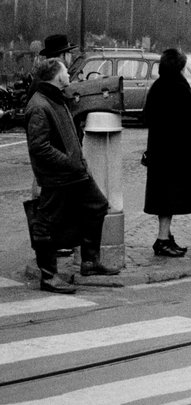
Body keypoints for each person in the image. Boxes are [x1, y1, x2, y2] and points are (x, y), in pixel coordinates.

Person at [24, 59, 117, 293]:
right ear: (57, 76)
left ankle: (90, 261)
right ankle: (48, 276)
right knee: (45, 223)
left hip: (74, 172)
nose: (69, 74)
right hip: (57, 176)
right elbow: (39, 147)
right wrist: (69, 161)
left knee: (97, 206)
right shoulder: (39, 105)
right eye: (65, 71)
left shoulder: (57, 98)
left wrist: (78, 163)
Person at [142, 49, 191, 257]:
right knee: (169, 197)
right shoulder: (179, 86)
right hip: (177, 153)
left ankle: (166, 236)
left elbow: (147, 116)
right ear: (179, 67)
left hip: (160, 151)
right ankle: (162, 239)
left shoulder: (158, 86)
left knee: (163, 196)